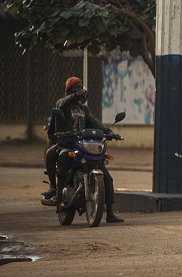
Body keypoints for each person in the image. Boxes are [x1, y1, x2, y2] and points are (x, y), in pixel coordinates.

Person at [43, 77, 124, 223]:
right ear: (69, 91)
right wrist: (75, 95)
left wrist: (109, 132)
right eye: (76, 88)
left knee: (108, 177)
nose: (79, 91)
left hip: (83, 145)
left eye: (81, 88)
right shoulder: (62, 104)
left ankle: (110, 214)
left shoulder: (83, 109)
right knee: (54, 155)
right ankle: (57, 192)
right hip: (67, 143)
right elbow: (60, 104)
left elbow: (95, 123)